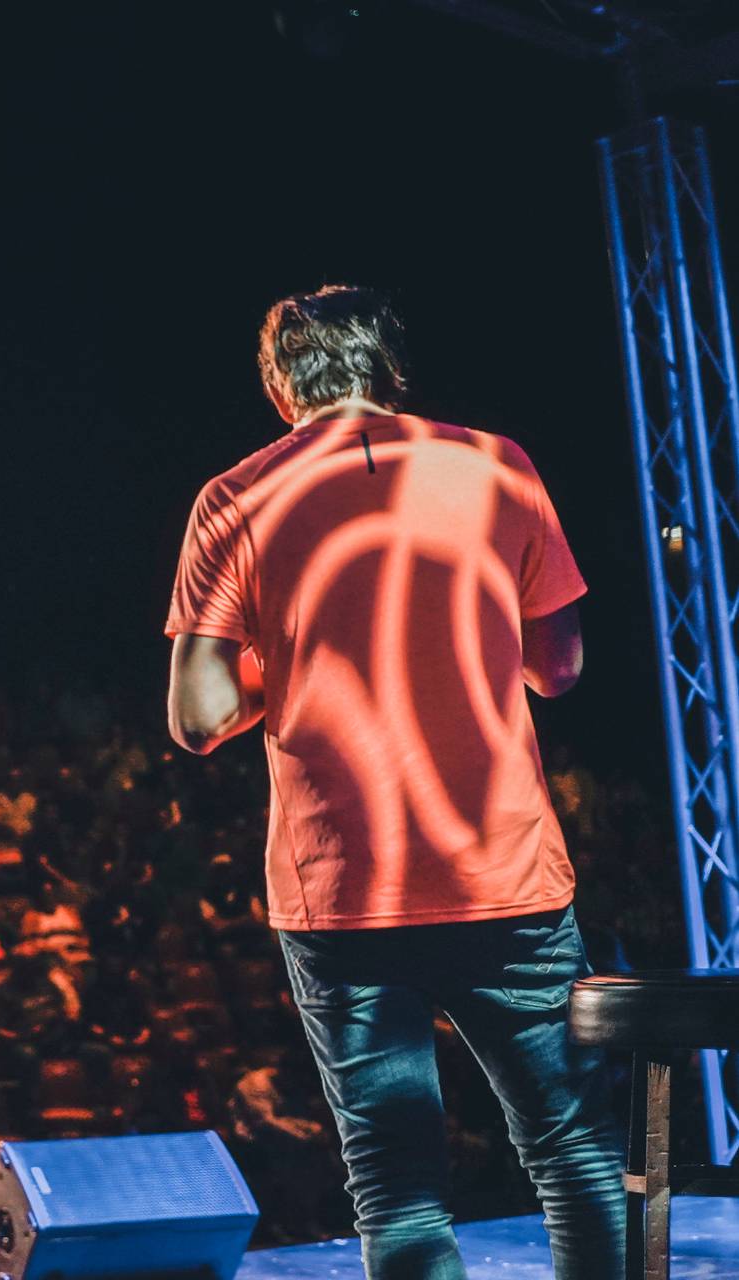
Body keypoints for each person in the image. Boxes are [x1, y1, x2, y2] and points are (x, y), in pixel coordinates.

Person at [164, 285, 621, 1280]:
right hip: (503, 868)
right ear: (390, 366)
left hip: (343, 893)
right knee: (574, 1151)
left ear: (282, 382)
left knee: (397, 1185)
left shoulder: (236, 495)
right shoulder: (499, 465)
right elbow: (563, 665)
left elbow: (197, 716)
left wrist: (292, 655)